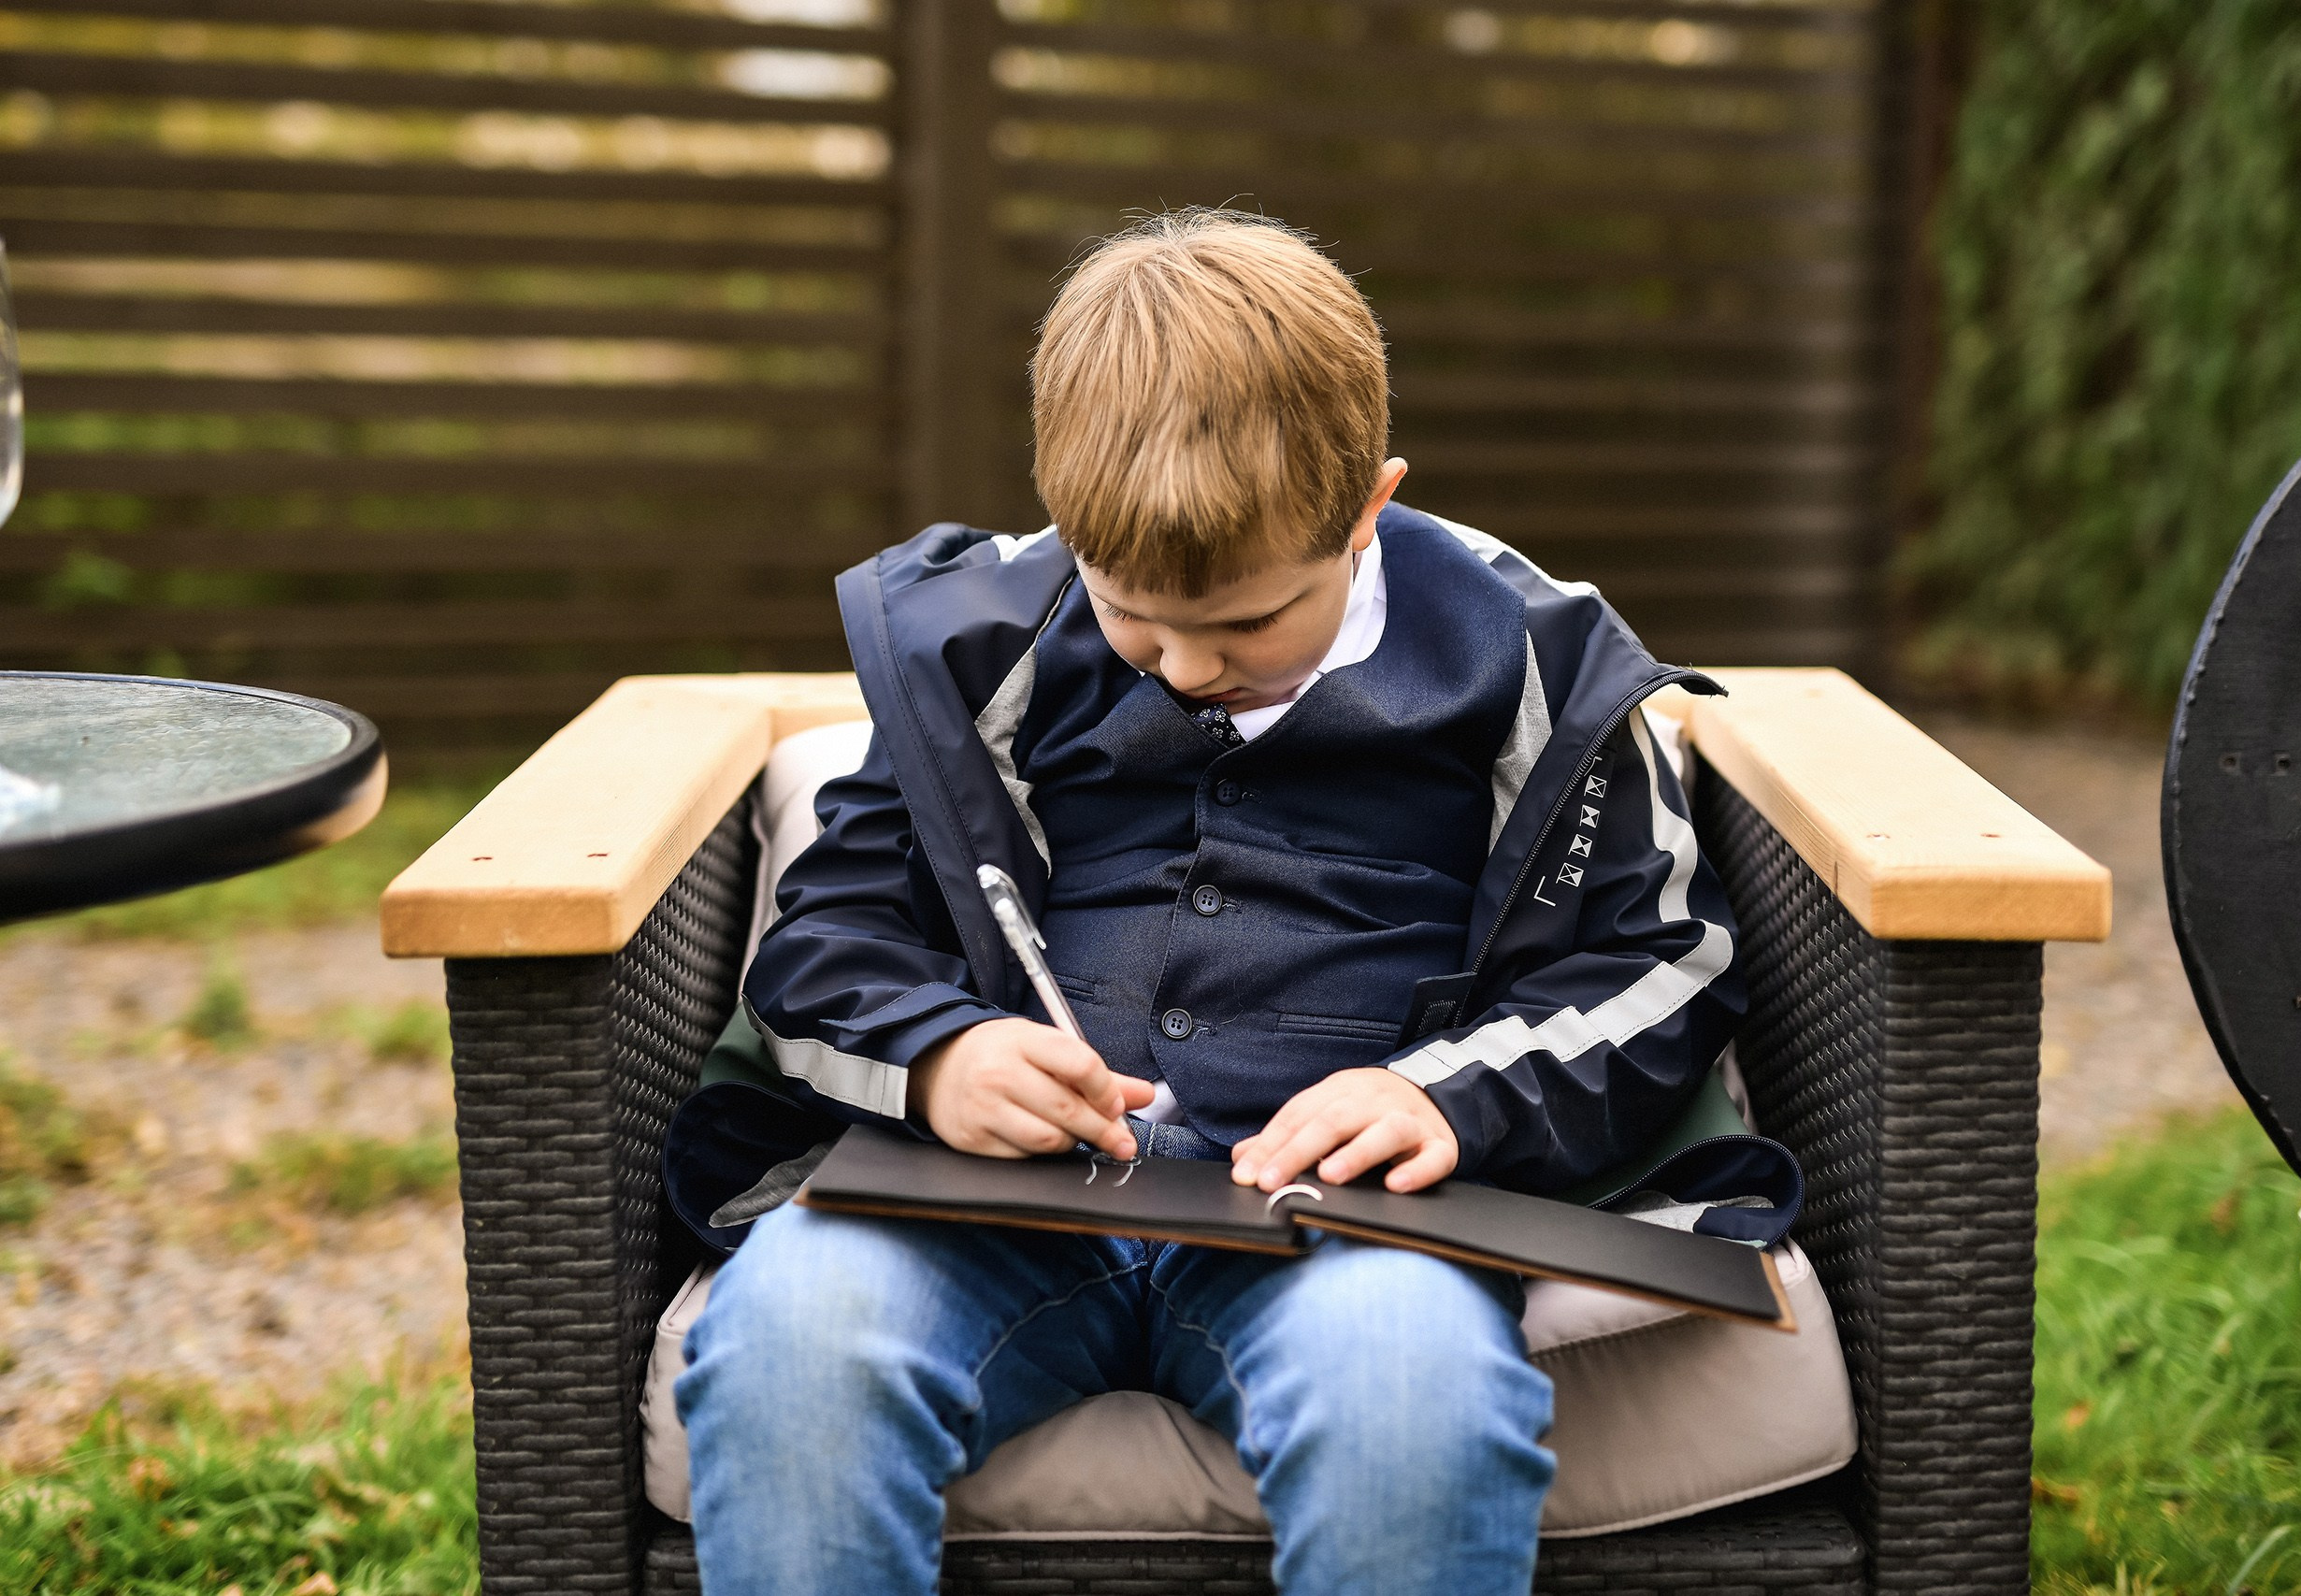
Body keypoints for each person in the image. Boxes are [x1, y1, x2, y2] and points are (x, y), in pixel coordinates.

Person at [670, 208, 1747, 1596]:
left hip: (1347, 1236)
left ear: (1368, 506)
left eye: (1248, 627)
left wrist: (1444, 1097)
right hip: (983, 1210)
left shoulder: (1534, 660)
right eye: (1132, 617)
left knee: (1416, 1406)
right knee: (791, 1351)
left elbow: (1661, 968)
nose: (1182, 668)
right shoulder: (979, 644)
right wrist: (940, 1057)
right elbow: (825, 941)